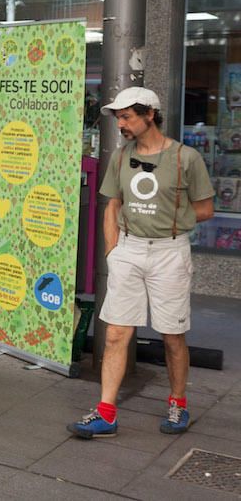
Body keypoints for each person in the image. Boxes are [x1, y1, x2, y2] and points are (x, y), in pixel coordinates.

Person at [68, 87, 214, 439]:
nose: (121, 124)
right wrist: (112, 252)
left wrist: (173, 217)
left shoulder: (185, 158)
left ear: (150, 114)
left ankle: (178, 402)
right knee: (116, 333)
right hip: (128, 251)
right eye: (118, 118)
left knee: (172, 336)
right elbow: (112, 205)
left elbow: (206, 208)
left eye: (127, 117)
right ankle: (106, 413)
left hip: (169, 251)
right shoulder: (120, 157)